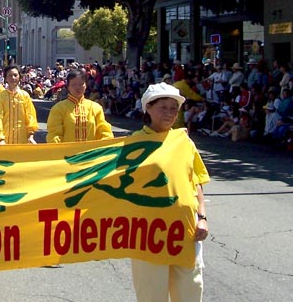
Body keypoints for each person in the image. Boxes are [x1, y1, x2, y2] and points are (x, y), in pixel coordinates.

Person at [128, 82, 209, 301]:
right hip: (147, 232)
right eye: (163, 107)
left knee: (190, 291)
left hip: (185, 230)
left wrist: (202, 218)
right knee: (152, 293)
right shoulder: (134, 143)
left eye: (174, 108)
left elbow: (196, 181)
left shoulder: (183, 141)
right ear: (148, 108)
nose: (169, 113)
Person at [47, 68, 113, 143]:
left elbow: (104, 131)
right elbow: (54, 134)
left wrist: (106, 144)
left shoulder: (95, 107)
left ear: (86, 86)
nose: (78, 87)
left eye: (81, 84)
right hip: (68, 150)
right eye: (73, 84)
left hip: (90, 150)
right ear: (68, 87)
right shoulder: (58, 108)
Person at [0, 65, 39, 144]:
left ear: (19, 77)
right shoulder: (1, 96)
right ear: (6, 78)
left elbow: (30, 116)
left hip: (22, 141)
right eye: (10, 75)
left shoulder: (25, 95)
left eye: (15, 75)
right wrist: (0, 138)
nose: (13, 78)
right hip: (4, 141)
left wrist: (31, 135)